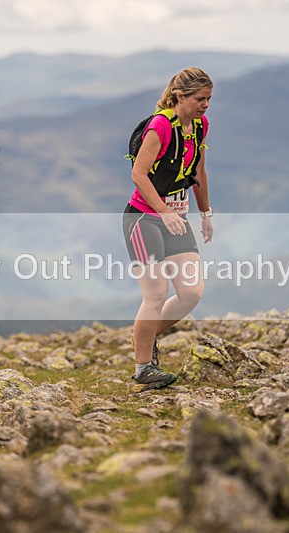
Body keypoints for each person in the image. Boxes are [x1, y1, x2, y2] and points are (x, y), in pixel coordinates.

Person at [122, 67, 214, 391]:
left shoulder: (200, 126)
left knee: (191, 292)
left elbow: (199, 170)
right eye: (200, 99)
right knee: (157, 293)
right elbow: (139, 174)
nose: (205, 105)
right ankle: (143, 366)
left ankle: (143, 335)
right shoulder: (160, 126)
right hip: (143, 219)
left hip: (177, 217)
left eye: (209, 99)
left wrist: (205, 213)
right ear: (180, 97)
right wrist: (163, 211)